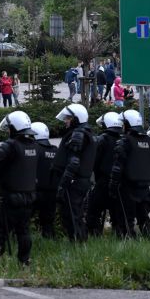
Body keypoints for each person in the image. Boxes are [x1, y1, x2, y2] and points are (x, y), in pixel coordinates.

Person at [0, 111, 38, 265]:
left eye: (9, 128)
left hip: (11, 199)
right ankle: (24, 261)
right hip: (29, 198)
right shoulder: (33, 145)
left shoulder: (10, 146)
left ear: (14, 128)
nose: (8, 130)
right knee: (24, 230)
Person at [52, 104, 97, 242]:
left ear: (76, 118)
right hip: (78, 181)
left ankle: (78, 245)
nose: (65, 121)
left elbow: (73, 163)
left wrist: (63, 184)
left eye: (68, 118)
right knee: (73, 213)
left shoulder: (78, 134)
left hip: (74, 182)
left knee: (72, 214)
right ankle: (78, 243)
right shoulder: (84, 132)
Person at [109, 110, 150, 237]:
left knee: (126, 218)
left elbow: (117, 167)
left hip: (127, 187)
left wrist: (112, 186)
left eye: (124, 123)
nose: (122, 126)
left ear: (128, 124)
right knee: (143, 217)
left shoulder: (124, 141)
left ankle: (128, 242)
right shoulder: (147, 140)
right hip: (144, 186)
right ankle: (147, 239)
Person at [86, 112, 122, 236]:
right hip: (118, 182)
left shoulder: (102, 139)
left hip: (103, 181)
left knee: (93, 211)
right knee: (116, 212)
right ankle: (119, 236)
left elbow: (94, 161)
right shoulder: (122, 139)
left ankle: (94, 236)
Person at [31, 122, 59, 238]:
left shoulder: (34, 148)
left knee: (23, 220)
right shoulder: (55, 150)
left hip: (34, 191)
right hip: (52, 191)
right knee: (48, 222)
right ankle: (49, 241)